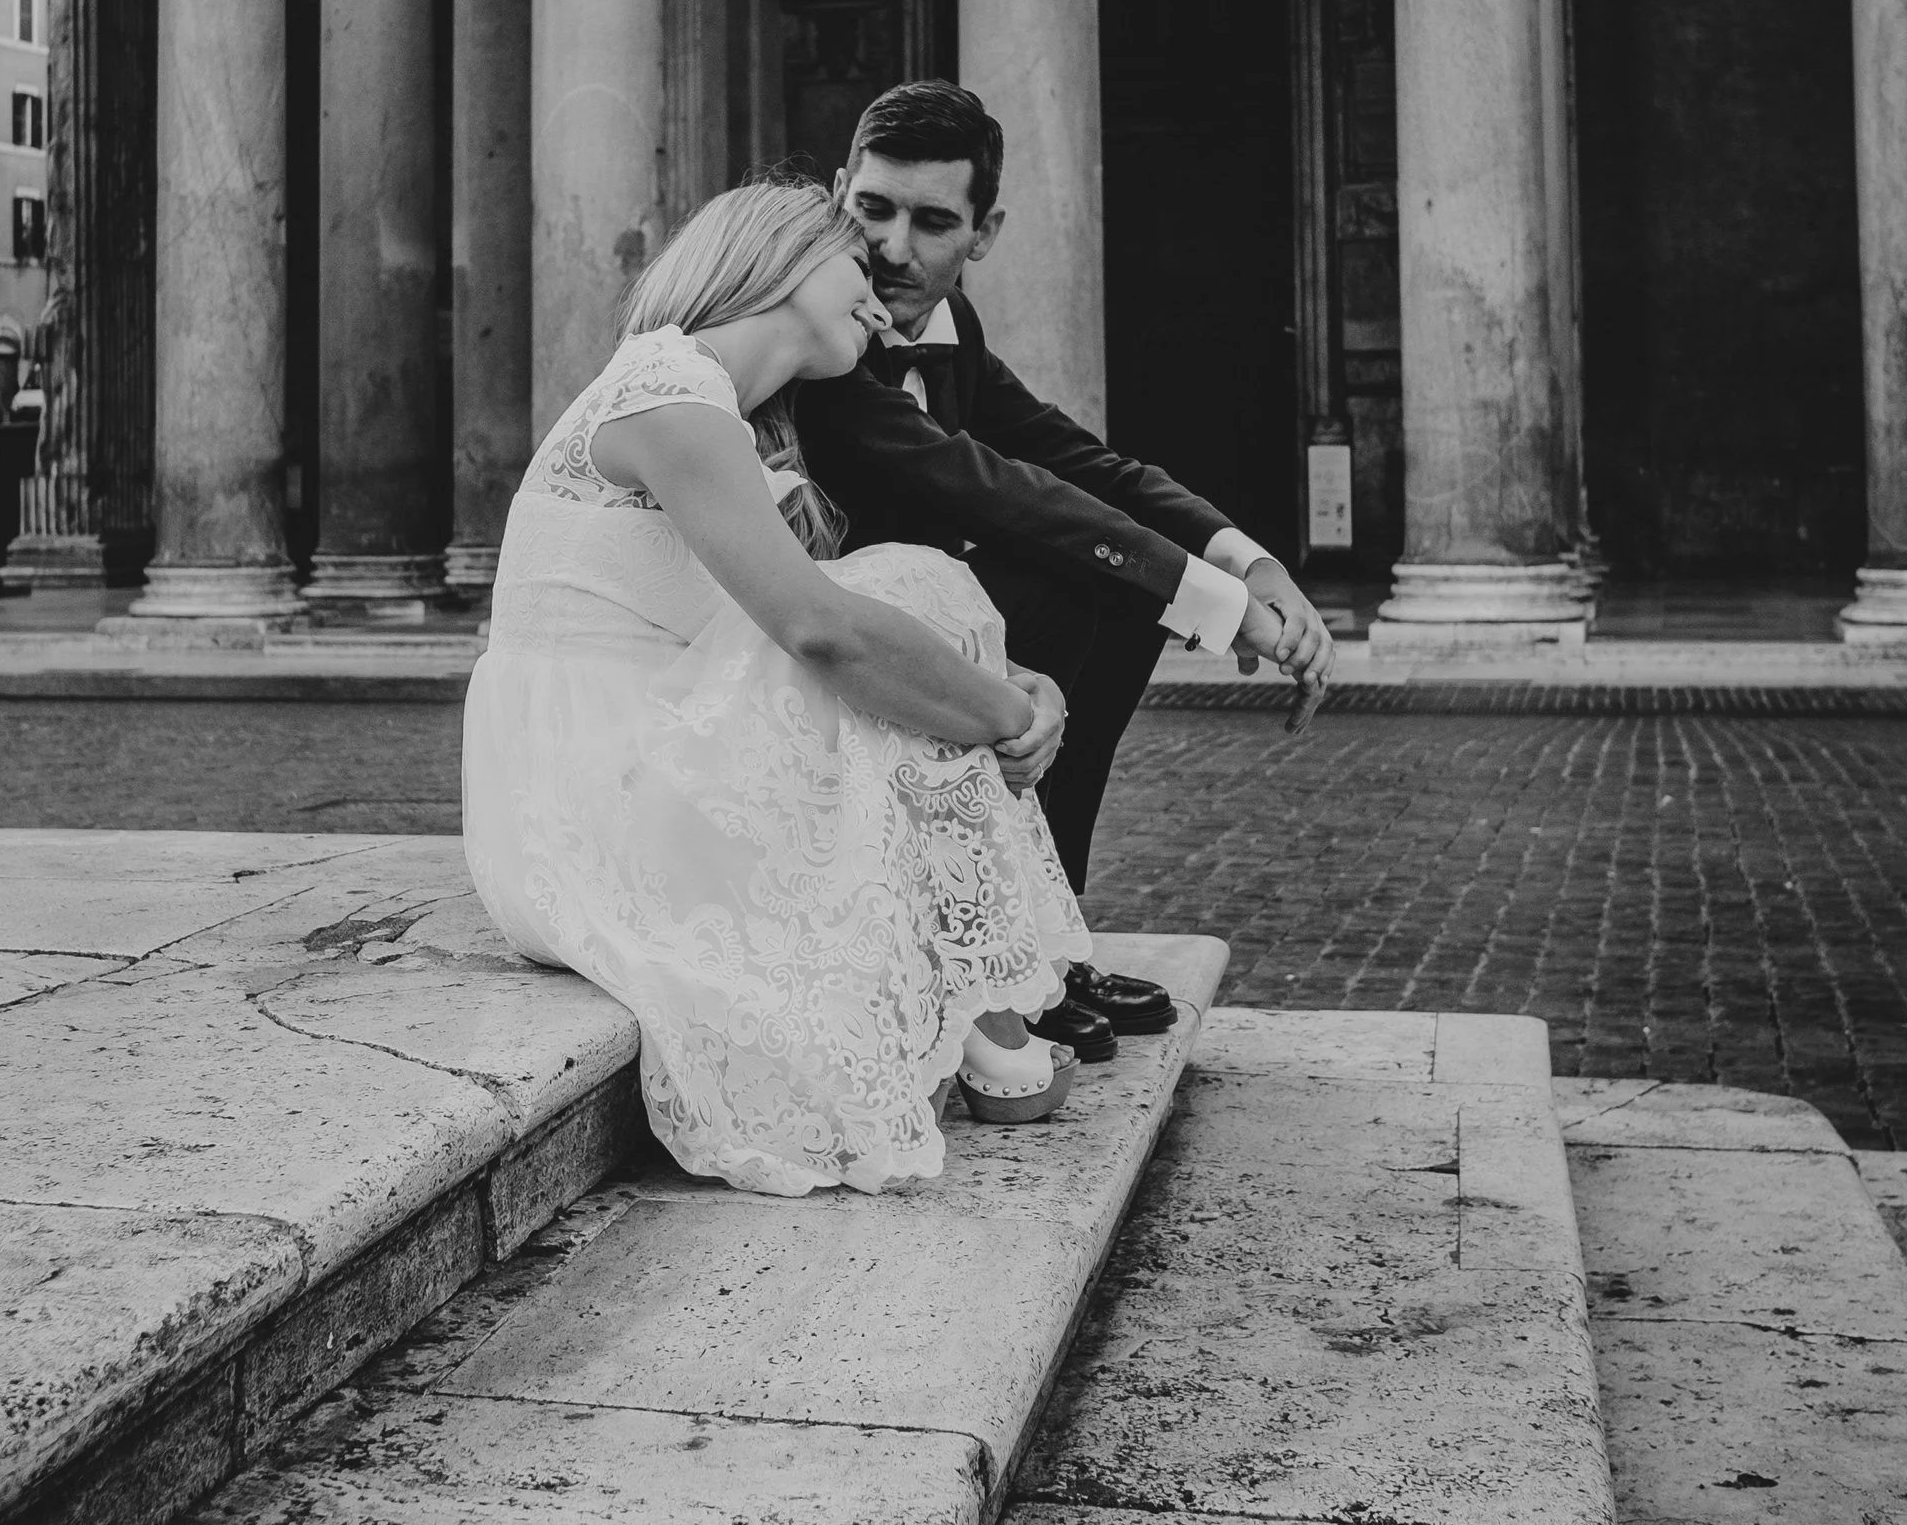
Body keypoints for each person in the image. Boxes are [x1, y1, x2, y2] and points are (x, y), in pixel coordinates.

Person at [463, 178, 1265, 1194]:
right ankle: (992, 1013)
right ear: (784, 256)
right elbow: (821, 632)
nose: (880, 300)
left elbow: (802, 627)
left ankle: (988, 1011)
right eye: (857, 265)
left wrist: (1023, 691)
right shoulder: (666, 389)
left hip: (624, 755)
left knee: (909, 592)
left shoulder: (712, 408)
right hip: (578, 805)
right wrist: (1005, 715)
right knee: (894, 592)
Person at [794, 80, 1334, 1054]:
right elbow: (990, 488)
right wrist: (1214, 604)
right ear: (839, 190)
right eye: (870, 208)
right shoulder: (819, 337)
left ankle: (1045, 936)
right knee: (1064, 581)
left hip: (881, 615)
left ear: (983, 232)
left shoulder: (950, 331)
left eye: (931, 221)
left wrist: (1249, 567)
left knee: (1113, 594)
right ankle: (1005, 956)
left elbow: (1080, 461)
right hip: (796, 634)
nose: (891, 247)